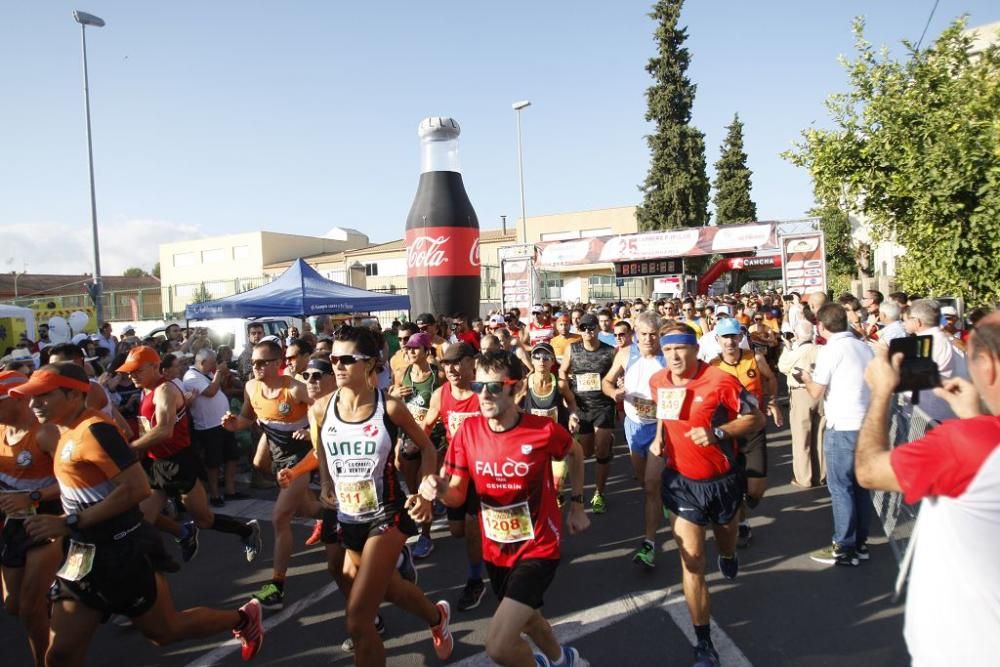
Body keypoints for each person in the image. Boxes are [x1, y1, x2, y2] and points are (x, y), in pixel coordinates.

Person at [13, 363, 264, 664]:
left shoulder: (95, 431)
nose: (33, 404)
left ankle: (242, 619)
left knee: (165, 632)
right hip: (81, 554)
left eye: (43, 396)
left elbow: (137, 489)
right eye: (31, 397)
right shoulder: (60, 431)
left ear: (73, 394)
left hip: (119, 552)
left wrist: (70, 521)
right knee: (60, 656)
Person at [420, 351, 591, 667]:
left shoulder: (542, 431)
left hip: (538, 547)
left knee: (499, 646)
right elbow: (456, 496)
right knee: (529, 619)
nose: (484, 395)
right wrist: (438, 489)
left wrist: (577, 505)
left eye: (494, 387)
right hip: (496, 549)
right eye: (478, 386)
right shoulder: (468, 433)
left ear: (516, 389)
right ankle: (562, 659)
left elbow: (576, 453)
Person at [854, 313, 1000, 666]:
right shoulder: (976, 438)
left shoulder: (966, 443)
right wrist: (971, 417)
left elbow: (869, 471)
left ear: (988, 365)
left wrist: (881, 393)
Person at [313, 325, 453, 664]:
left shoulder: (389, 408)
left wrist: (423, 493)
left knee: (358, 620)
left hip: (386, 514)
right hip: (348, 517)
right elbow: (323, 462)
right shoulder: (320, 409)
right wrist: (326, 501)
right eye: (334, 358)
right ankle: (437, 618)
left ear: (371, 363)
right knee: (390, 589)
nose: (338, 365)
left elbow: (426, 448)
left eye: (348, 359)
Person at [649, 323, 765, 666]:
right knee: (693, 560)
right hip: (682, 481)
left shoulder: (720, 381)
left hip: (723, 480)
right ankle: (703, 643)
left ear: (695, 350)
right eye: (667, 350)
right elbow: (663, 410)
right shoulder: (659, 381)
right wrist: (659, 436)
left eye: (680, 349)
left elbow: (754, 418)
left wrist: (717, 432)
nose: (673, 356)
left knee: (725, 539)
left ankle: (728, 554)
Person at [118, 346, 262, 566]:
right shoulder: (145, 390)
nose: (131, 375)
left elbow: (165, 430)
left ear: (155, 367)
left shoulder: (164, 390)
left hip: (179, 462)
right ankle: (170, 549)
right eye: (129, 371)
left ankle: (246, 530)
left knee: (204, 520)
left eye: (136, 370)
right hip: (155, 462)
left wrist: (132, 447)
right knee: (142, 519)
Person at [223, 339, 317, 608]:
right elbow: (247, 419)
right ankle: (328, 516)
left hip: (301, 458)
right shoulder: (251, 387)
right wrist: (233, 425)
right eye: (253, 362)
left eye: (263, 362)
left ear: (279, 364)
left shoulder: (296, 389)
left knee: (280, 518)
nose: (256, 367)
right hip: (276, 452)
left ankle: (277, 585)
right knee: (309, 508)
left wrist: (312, 431)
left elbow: (324, 413)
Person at [800, 304, 874, 567]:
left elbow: (816, 392)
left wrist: (806, 376)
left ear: (820, 326)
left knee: (841, 488)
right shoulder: (864, 346)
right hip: (867, 425)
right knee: (861, 487)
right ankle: (860, 544)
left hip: (842, 425)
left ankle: (844, 546)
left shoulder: (832, 349)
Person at [0, 371, 62, 666]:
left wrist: (33, 497)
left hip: (48, 521)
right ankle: (69, 604)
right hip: (13, 524)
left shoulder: (46, 433)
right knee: (13, 605)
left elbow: (77, 481)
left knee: (29, 607)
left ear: (18, 399)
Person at [420, 342, 488, 611]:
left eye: (458, 362)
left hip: (483, 469)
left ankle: (475, 581)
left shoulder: (484, 392)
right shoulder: (440, 394)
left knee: (471, 527)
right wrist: (411, 442)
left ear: (473, 363)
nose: (452, 368)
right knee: (457, 531)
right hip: (455, 470)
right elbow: (426, 426)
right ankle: (489, 532)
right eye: (447, 364)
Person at [601, 312, 666, 569]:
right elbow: (606, 381)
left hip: (660, 427)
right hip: (633, 426)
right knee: (644, 481)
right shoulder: (626, 354)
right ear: (635, 334)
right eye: (643, 334)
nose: (648, 339)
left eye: (653, 334)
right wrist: (614, 392)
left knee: (651, 484)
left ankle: (649, 544)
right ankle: (661, 500)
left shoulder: (668, 356)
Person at [709, 317, 781, 547]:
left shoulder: (754, 358)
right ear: (717, 339)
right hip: (728, 430)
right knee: (734, 481)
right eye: (725, 337)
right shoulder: (713, 366)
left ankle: (746, 500)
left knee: (755, 489)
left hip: (753, 426)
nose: (730, 342)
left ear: (740, 337)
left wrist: (772, 402)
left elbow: (770, 378)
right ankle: (742, 523)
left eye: (733, 336)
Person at [392, 332, 445, 559]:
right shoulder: (403, 373)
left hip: (431, 441)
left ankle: (426, 536)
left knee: (425, 491)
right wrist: (393, 394)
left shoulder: (438, 375)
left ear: (426, 350)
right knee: (413, 490)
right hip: (407, 440)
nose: (410, 351)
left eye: (415, 348)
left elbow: (446, 401)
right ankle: (418, 528)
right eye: (408, 348)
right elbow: (393, 405)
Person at [560, 313, 617, 513]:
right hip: (581, 407)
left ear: (598, 329)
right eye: (583, 328)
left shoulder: (610, 352)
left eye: (591, 327)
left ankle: (598, 494)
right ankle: (580, 487)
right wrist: (567, 393)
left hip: (603, 406)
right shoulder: (572, 349)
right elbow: (562, 372)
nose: (587, 331)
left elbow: (618, 375)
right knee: (586, 452)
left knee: (601, 451)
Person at [183, 349, 242, 506]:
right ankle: (215, 495)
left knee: (232, 456)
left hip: (223, 422)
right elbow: (210, 391)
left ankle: (230, 490)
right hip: (208, 426)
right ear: (202, 363)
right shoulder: (191, 376)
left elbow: (219, 387)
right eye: (212, 362)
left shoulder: (207, 374)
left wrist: (223, 375)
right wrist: (218, 373)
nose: (215, 365)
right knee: (213, 462)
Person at [904, 299, 968, 422]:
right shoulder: (933, 340)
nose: (904, 323)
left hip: (930, 415)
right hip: (930, 412)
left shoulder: (933, 342)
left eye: (906, 319)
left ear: (917, 322)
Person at [777, 320, 825, 487]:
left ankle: (804, 478)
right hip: (821, 392)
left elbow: (782, 367)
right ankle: (820, 475)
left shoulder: (795, 352)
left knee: (801, 437)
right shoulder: (822, 350)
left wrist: (787, 347)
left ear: (796, 335)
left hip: (801, 393)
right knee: (820, 435)